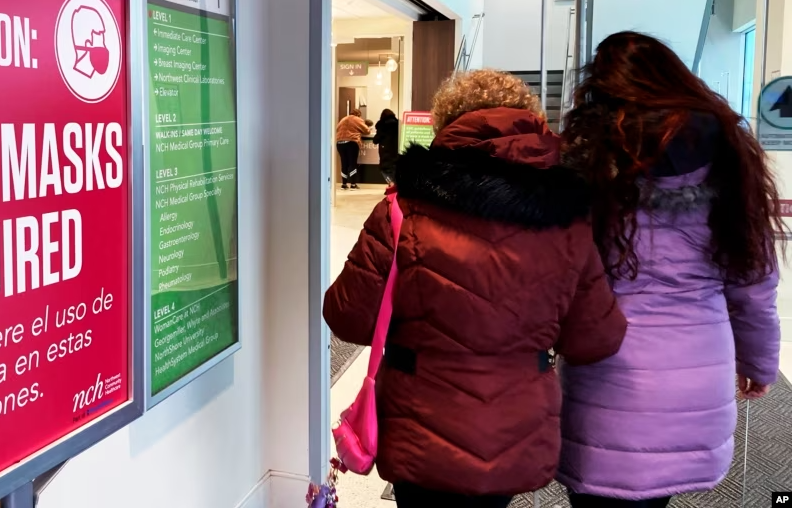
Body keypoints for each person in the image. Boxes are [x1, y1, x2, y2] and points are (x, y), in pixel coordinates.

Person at [323, 69, 628, 508]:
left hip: (420, 426)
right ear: (532, 123)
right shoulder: (567, 218)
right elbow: (597, 339)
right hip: (515, 425)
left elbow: (347, 315)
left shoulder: (403, 208)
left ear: (445, 125)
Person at [558, 31, 784, 508]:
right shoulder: (729, 153)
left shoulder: (589, 159)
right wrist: (759, 363)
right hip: (697, 364)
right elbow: (754, 284)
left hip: (606, 366)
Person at [336, 108, 371, 189]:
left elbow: (337, 129)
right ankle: (353, 184)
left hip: (340, 143)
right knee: (352, 163)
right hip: (351, 142)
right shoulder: (358, 119)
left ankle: (344, 184)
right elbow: (367, 131)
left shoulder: (343, 119)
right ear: (358, 114)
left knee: (344, 163)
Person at [374, 108, 400, 185]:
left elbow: (376, 139)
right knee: (394, 168)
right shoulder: (398, 123)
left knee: (384, 169)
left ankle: (392, 185)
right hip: (396, 150)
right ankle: (394, 186)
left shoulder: (382, 125)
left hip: (385, 150)